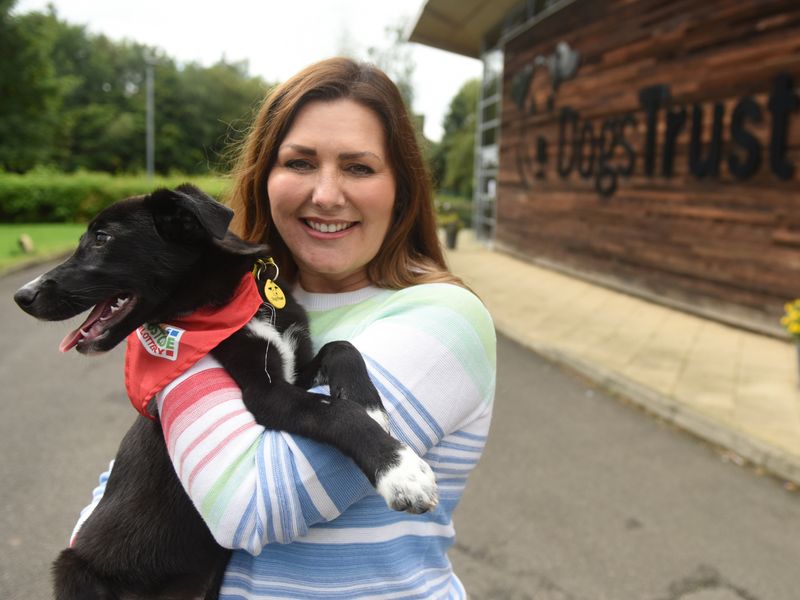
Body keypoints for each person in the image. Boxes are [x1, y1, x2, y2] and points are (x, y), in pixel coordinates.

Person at [74, 57, 496, 598]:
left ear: (402, 191)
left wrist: (174, 334)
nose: (325, 194)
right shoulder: (252, 303)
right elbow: (124, 480)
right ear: (264, 177)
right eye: (299, 162)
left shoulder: (444, 320)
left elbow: (248, 507)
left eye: (359, 167)